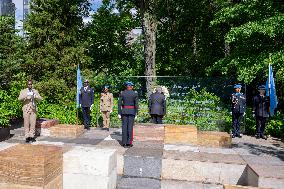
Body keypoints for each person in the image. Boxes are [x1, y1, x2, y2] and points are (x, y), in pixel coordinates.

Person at [118, 81, 139, 148]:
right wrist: (136, 113)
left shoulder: (122, 93)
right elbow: (136, 104)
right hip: (132, 111)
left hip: (124, 111)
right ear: (131, 86)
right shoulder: (134, 93)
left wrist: (119, 112)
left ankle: (124, 143)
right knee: (130, 127)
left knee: (124, 127)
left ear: (126, 86)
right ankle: (129, 143)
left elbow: (119, 104)